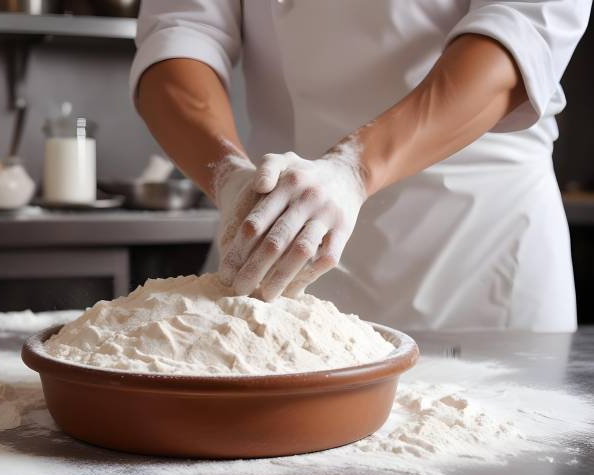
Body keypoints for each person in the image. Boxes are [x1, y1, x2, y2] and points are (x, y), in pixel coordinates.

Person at [129, 1, 591, 333]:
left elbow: (522, 33)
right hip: (276, 239)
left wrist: (354, 170)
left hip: (475, 260)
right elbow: (181, 31)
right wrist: (230, 177)